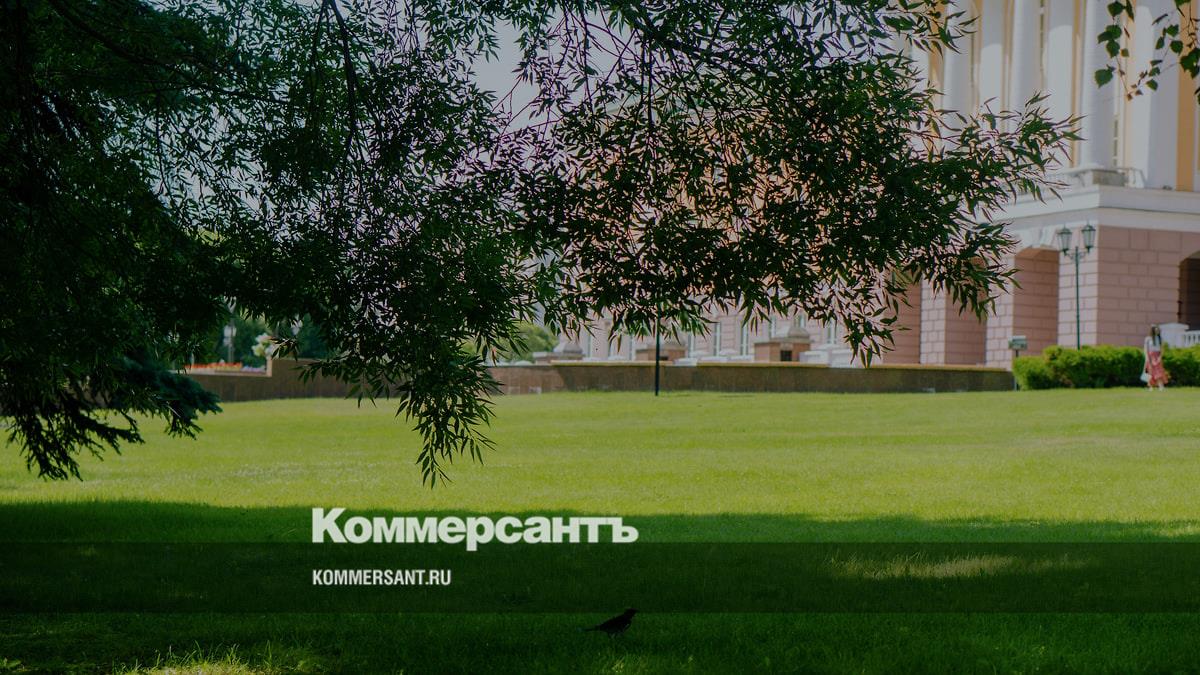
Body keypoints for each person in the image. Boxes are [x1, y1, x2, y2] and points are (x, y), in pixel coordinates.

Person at [1143, 325, 1169, 391]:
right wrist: (1147, 358)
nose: (1157, 331)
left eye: (1158, 330)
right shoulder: (1148, 339)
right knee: (1149, 371)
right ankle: (1150, 387)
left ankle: (1161, 386)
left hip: (1157, 356)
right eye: (1156, 330)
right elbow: (1146, 349)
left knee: (1158, 371)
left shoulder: (1160, 339)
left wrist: (1160, 357)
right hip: (1150, 356)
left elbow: (1162, 349)